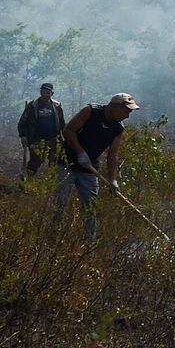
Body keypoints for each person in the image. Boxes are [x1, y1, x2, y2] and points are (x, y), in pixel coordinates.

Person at [58, 93, 139, 239]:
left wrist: (112, 180)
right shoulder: (90, 112)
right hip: (67, 164)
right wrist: (80, 153)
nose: (127, 116)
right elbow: (68, 131)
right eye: (126, 111)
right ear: (115, 107)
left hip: (89, 169)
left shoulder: (118, 128)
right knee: (60, 203)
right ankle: (54, 237)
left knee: (90, 207)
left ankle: (89, 241)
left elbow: (113, 154)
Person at [17, 82, 66, 178]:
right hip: (37, 140)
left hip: (53, 140)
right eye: (43, 92)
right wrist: (23, 136)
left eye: (48, 92)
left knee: (55, 164)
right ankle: (27, 183)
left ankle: (52, 185)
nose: (45, 95)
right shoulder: (32, 106)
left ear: (52, 93)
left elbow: (62, 123)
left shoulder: (57, 106)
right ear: (40, 92)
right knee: (34, 163)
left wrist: (64, 138)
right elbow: (22, 122)